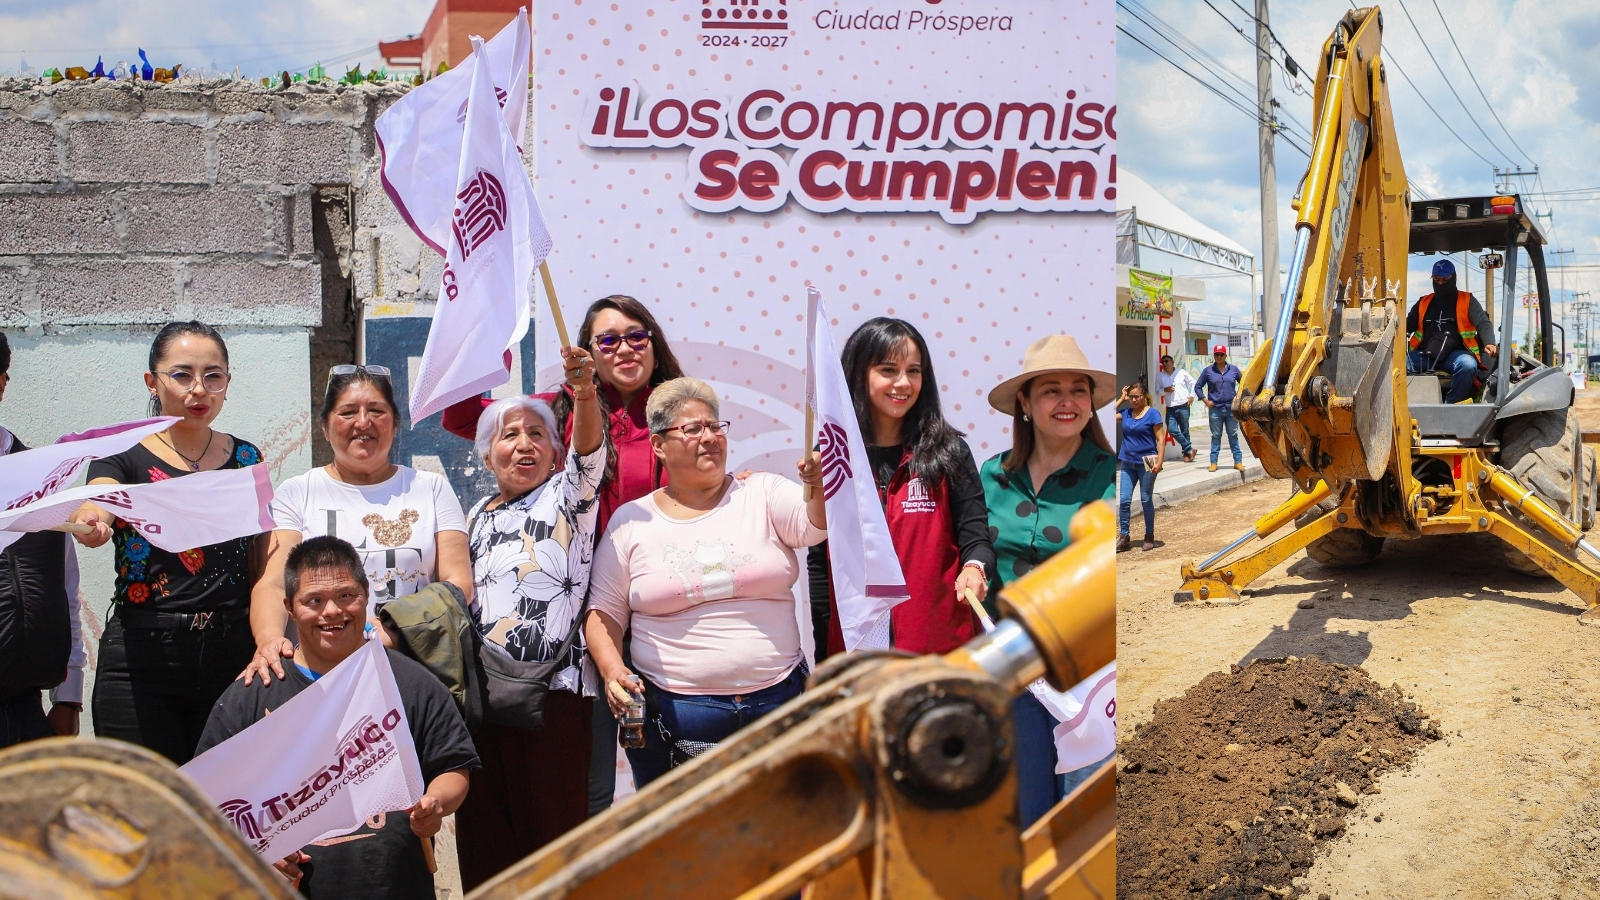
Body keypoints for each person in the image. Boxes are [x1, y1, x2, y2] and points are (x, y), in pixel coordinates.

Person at [444, 294, 685, 816]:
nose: (624, 348)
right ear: (588, 352)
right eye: (608, 339)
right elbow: (462, 414)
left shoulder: (678, 414)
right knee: (588, 786)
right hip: (582, 619)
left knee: (673, 776)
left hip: (661, 608)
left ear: (654, 344)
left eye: (636, 335)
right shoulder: (559, 411)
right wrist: (492, 326)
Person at [197, 536, 479, 900]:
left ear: (366, 595)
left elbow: (454, 767)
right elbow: (202, 802)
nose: (332, 612)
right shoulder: (254, 691)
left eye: (346, 596)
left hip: (394, 887)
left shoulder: (409, 682)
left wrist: (436, 803)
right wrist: (247, 854)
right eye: (314, 601)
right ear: (290, 607)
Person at [584, 377, 826, 787]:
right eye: (692, 429)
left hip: (779, 704)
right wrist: (612, 672)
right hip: (673, 721)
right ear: (659, 446)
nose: (709, 437)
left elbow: (813, 526)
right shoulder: (631, 521)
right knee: (685, 843)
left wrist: (817, 487)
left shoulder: (761, 491)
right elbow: (603, 613)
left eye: (715, 427)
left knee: (785, 836)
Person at [66, 321, 264, 764]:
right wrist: (92, 520)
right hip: (141, 659)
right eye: (182, 375)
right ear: (152, 381)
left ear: (227, 384)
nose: (199, 389)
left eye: (213, 376)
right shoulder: (121, 453)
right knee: (145, 814)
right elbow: (100, 500)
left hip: (232, 657)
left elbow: (262, 560)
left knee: (225, 815)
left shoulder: (247, 459)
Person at [453, 345, 605, 890]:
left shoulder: (569, 498)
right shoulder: (473, 514)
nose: (523, 445)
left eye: (536, 434)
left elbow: (590, 452)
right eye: (508, 435)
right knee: (488, 843)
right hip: (485, 701)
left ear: (555, 449)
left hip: (554, 699)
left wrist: (583, 393)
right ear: (486, 453)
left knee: (552, 849)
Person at [243, 365, 471, 684]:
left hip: (412, 668)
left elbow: (458, 584)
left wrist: (393, 630)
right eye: (348, 412)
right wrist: (269, 640)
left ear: (395, 425)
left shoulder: (430, 488)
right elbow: (275, 584)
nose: (363, 422)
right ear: (324, 426)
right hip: (322, 676)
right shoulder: (297, 492)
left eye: (376, 410)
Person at [980, 334, 1116, 826]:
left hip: (1088, 682)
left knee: (1084, 821)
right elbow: (973, 551)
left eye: (1078, 390)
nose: (1067, 402)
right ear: (1025, 402)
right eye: (1051, 390)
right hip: (1013, 675)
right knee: (1027, 815)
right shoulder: (992, 475)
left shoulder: (1112, 477)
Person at [808, 318, 996, 660]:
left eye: (914, 371)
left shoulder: (949, 451)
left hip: (941, 655)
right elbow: (822, 563)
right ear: (858, 373)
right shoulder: (835, 459)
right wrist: (824, 656)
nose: (903, 383)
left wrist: (975, 567)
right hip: (859, 659)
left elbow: (976, 536)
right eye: (888, 369)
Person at [0, 333, 87, 748]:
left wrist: (68, 698)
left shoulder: (40, 479)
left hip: (22, 710)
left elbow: (65, 589)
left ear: (1, 383)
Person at [1406, 258, 1497, 403]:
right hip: (1426, 356)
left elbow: (1483, 323)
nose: (1441, 283)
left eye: (1445, 279)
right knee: (1399, 365)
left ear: (1453, 278)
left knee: (1467, 365)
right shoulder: (1423, 302)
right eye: (1437, 279)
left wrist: (1490, 342)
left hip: (1455, 355)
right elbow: (1406, 326)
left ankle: (1452, 405)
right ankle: (1405, 405)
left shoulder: (1467, 300)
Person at [1116, 382, 1166, 553]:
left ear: (1145, 396)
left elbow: (1160, 439)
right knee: (1124, 500)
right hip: (1127, 462)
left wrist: (1159, 462)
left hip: (1147, 462)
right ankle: (1124, 537)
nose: (1134, 400)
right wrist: (1121, 399)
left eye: (1137, 396)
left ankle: (1149, 536)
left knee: (1145, 499)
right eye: (1131, 397)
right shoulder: (1126, 413)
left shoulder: (1153, 414)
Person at [1194, 344, 1244, 473]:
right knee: (1216, 436)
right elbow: (1198, 386)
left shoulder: (1233, 370)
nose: (1218, 357)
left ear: (1225, 356)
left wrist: (1239, 398)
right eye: (1216, 354)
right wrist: (1205, 401)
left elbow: (1244, 384)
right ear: (1214, 356)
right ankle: (1213, 463)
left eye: (1221, 354)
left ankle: (1238, 462)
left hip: (1231, 408)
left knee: (1233, 435)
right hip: (1215, 408)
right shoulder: (1208, 371)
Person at [1155, 354, 1196, 463]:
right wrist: (1165, 389)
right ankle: (1189, 448)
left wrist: (1192, 396)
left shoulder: (1181, 372)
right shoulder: (1160, 376)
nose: (1164, 363)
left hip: (1183, 405)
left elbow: (1193, 383)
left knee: (1185, 431)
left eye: (1166, 361)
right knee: (1172, 429)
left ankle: (1187, 454)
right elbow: (1158, 391)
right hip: (1170, 408)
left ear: (1172, 362)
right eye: (1162, 362)